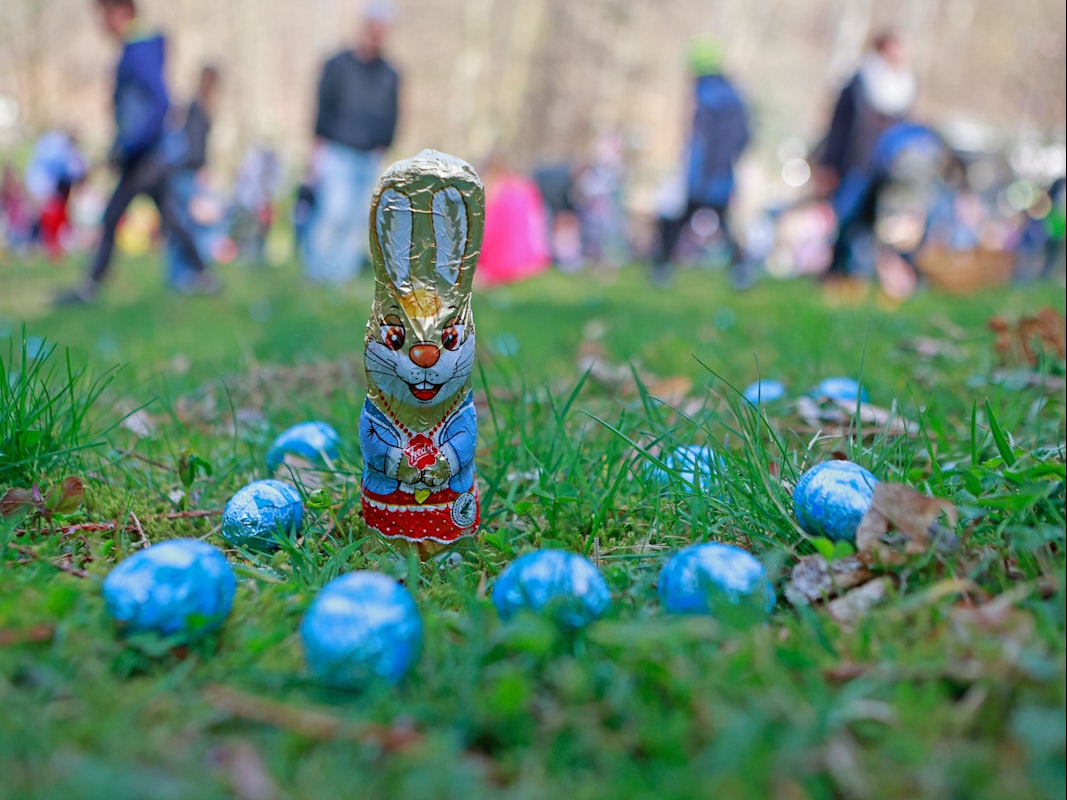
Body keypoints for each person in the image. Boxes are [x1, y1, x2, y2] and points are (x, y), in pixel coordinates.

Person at [56, 0, 216, 305]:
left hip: (146, 154)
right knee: (171, 216)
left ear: (122, 12)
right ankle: (205, 275)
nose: (102, 23)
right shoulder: (137, 46)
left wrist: (127, 145)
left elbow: (159, 102)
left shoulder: (139, 48)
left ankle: (90, 285)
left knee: (113, 214)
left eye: (105, 15)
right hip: (145, 153)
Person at [304, 2, 400, 284]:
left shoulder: (390, 74)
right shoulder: (337, 65)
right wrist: (317, 149)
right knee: (333, 213)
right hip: (337, 151)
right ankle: (317, 274)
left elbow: (393, 114)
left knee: (355, 220)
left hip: (369, 155)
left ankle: (339, 279)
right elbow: (323, 107)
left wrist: (385, 145)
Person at [816, 30, 917, 278]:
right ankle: (835, 269)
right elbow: (839, 127)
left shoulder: (905, 87)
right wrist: (829, 164)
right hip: (856, 162)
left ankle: (862, 272)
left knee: (874, 222)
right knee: (846, 215)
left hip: (887, 166)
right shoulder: (859, 82)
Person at [651, 38, 751, 287]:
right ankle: (740, 270)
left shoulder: (705, 96)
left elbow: (700, 141)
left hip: (701, 174)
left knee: (676, 220)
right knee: (723, 223)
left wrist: (698, 172)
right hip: (721, 173)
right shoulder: (734, 96)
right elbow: (744, 137)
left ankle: (661, 268)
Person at [165, 63, 220, 289]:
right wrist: (200, 169)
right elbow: (194, 146)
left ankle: (187, 275)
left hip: (187, 172)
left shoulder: (195, 108)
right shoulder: (197, 109)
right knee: (184, 226)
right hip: (187, 173)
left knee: (186, 225)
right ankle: (182, 277)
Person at [25, 128, 87, 260]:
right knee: (49, 217)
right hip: (50, 186)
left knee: (56, 216)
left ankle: (51, 246)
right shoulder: (58, 147)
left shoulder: (67, 150)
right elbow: (65, 168)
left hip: (56, 187)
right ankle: (43, 245)